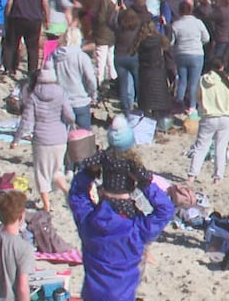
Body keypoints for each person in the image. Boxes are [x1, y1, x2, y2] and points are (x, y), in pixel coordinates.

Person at [68, 126, 175, 301]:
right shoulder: (137, 229)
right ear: (131, 182)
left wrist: (89, 172)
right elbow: (165, 210)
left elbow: (77, 195)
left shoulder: (88, 221)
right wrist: (145, 183)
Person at [10, 65, 73, 212]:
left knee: (42, 173)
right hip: (60, 138)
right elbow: (70, 115)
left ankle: (47, 205)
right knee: (57, 170)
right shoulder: (61, 93)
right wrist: (68, 125)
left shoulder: (34, 95)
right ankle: (67, 192)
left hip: (42, 138)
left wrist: (16, 139)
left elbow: (26, 121)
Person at [186, 60, 229, 184]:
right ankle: (217, 178)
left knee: (201, 147)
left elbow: (197, 97)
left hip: (209, 116)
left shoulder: (203, 80)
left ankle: (192, 175)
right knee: (221, 148)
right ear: (222, 67)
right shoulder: (228, 80)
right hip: (225, 116)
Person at [4, 0, 50, 80]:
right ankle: (32, 71)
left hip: (17, 18)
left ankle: (9, 68)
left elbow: (10, 1)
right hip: (34, 20)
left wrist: (7, 15)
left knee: (12, 44)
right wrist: (47, 20)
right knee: (32, 47)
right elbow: (45, 4)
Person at [52, 27, 97, 130]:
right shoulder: (82, 57)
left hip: (62, 100)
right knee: (83, 136)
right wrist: (93, 94)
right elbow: (91, 79)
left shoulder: (55, 56)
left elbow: (51, 77)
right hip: (80, 100)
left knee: (63, 134)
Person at [169, 1, 210, 112]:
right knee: (194, 82)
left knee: (182, 81)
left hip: (181, 53)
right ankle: (191, 106)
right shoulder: (198, 23)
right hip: (196, 54)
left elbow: (171, 42)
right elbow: (206, 38)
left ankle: (179, 103)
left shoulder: (176, 24)